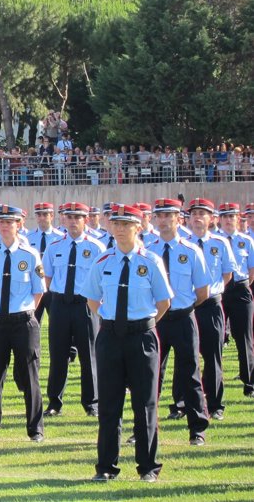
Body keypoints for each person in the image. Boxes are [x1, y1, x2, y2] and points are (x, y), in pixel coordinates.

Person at [82, 203, 172, 482]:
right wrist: (113, 323)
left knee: (145, 404)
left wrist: (140, 325)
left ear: (138, 227)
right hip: (110, 337)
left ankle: (148, 467)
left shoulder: (151, 262)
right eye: (116, 224)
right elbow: (93, 299)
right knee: (109, 405)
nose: (120, 229)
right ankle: (106, 467)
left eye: (126, 224)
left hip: (142, 337)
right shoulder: (102, 261)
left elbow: (164, 302)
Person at [146, 198, 210, 445]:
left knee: (190, 373)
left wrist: (183, 309)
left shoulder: (191, 251)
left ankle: (197, 428)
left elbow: (202, 292)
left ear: (178, 218)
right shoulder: (148, 250)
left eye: (168, 216)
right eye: (159, 216)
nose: (163, 221)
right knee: (150, 375)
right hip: (156, 320)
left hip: (183, 317)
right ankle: (145, 427)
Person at [0, 205, 45, 442]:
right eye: (1, 222)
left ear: (19, 225)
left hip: (23, 322)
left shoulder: (30, 255)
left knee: (30, 375)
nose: (5, 226)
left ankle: (35, 427)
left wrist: (25, 314)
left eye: (10, 222)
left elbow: (38, 292)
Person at [41, 202, 104, 417]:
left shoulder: (96, 247)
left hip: (85, 304)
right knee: (58, 354)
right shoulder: (54, 246)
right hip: (59, 304)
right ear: (63, 220)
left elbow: (101, 279)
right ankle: (54, 402)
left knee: (89, 354)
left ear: (86, 220)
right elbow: (47, 277)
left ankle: (91, 402)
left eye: (78, 217)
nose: (73, 221)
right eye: (69, 217)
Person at [182, 198, 237, 420]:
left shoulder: (220, 243)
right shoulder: (183, 244)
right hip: (187, 307)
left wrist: (212, 292)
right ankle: (184, 403)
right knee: (186, 357)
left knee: (213, 356)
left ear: (211, 219)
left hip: (211, 305)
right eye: (193, 213)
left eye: (202, 214)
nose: (197, 218)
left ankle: (215, 405)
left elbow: (228, 274)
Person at [218, 202, 254, 398]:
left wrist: (243, 285)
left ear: (237, 218)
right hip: (221, 291)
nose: (228, 220)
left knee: (244, 337)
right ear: (220, 220)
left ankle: (249, 382)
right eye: (225, 217)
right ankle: (215, 384)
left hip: (240, 289)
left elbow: (252, 269)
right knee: (216, 339)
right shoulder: (215, 242)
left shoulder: (246, 241)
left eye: (231, 216)